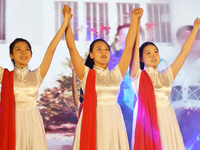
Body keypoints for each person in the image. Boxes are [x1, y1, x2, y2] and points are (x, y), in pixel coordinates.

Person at [63, 4, 143, 150]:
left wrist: (134, 21)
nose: (104, 51)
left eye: (106, 49)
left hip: (114, 119)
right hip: (93, 121)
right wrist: (66, 22)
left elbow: (129, 47)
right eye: (99, 49)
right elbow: (72, 48)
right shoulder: (85, 73)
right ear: (91, 55)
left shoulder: (116, 74)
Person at [0, 6, 72, 150]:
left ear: (31, 54)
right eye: (18, 49)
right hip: (12, 121)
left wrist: (65, 24)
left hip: (33, 119)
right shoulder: (5, 75)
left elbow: (51, 49)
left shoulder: (37, 74)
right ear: (11, 55)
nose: (23, 52)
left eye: (27, 49)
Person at [129, 17, 200, 150]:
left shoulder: (167, 74)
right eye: (148, 53)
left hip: (167, 118)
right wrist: (136, 22)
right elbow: (131, 48)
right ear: (141, 58)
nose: (153, 55)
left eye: (155, 51)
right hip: (147, 120)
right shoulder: (137, 76)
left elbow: (184, 53)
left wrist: (195, 28)